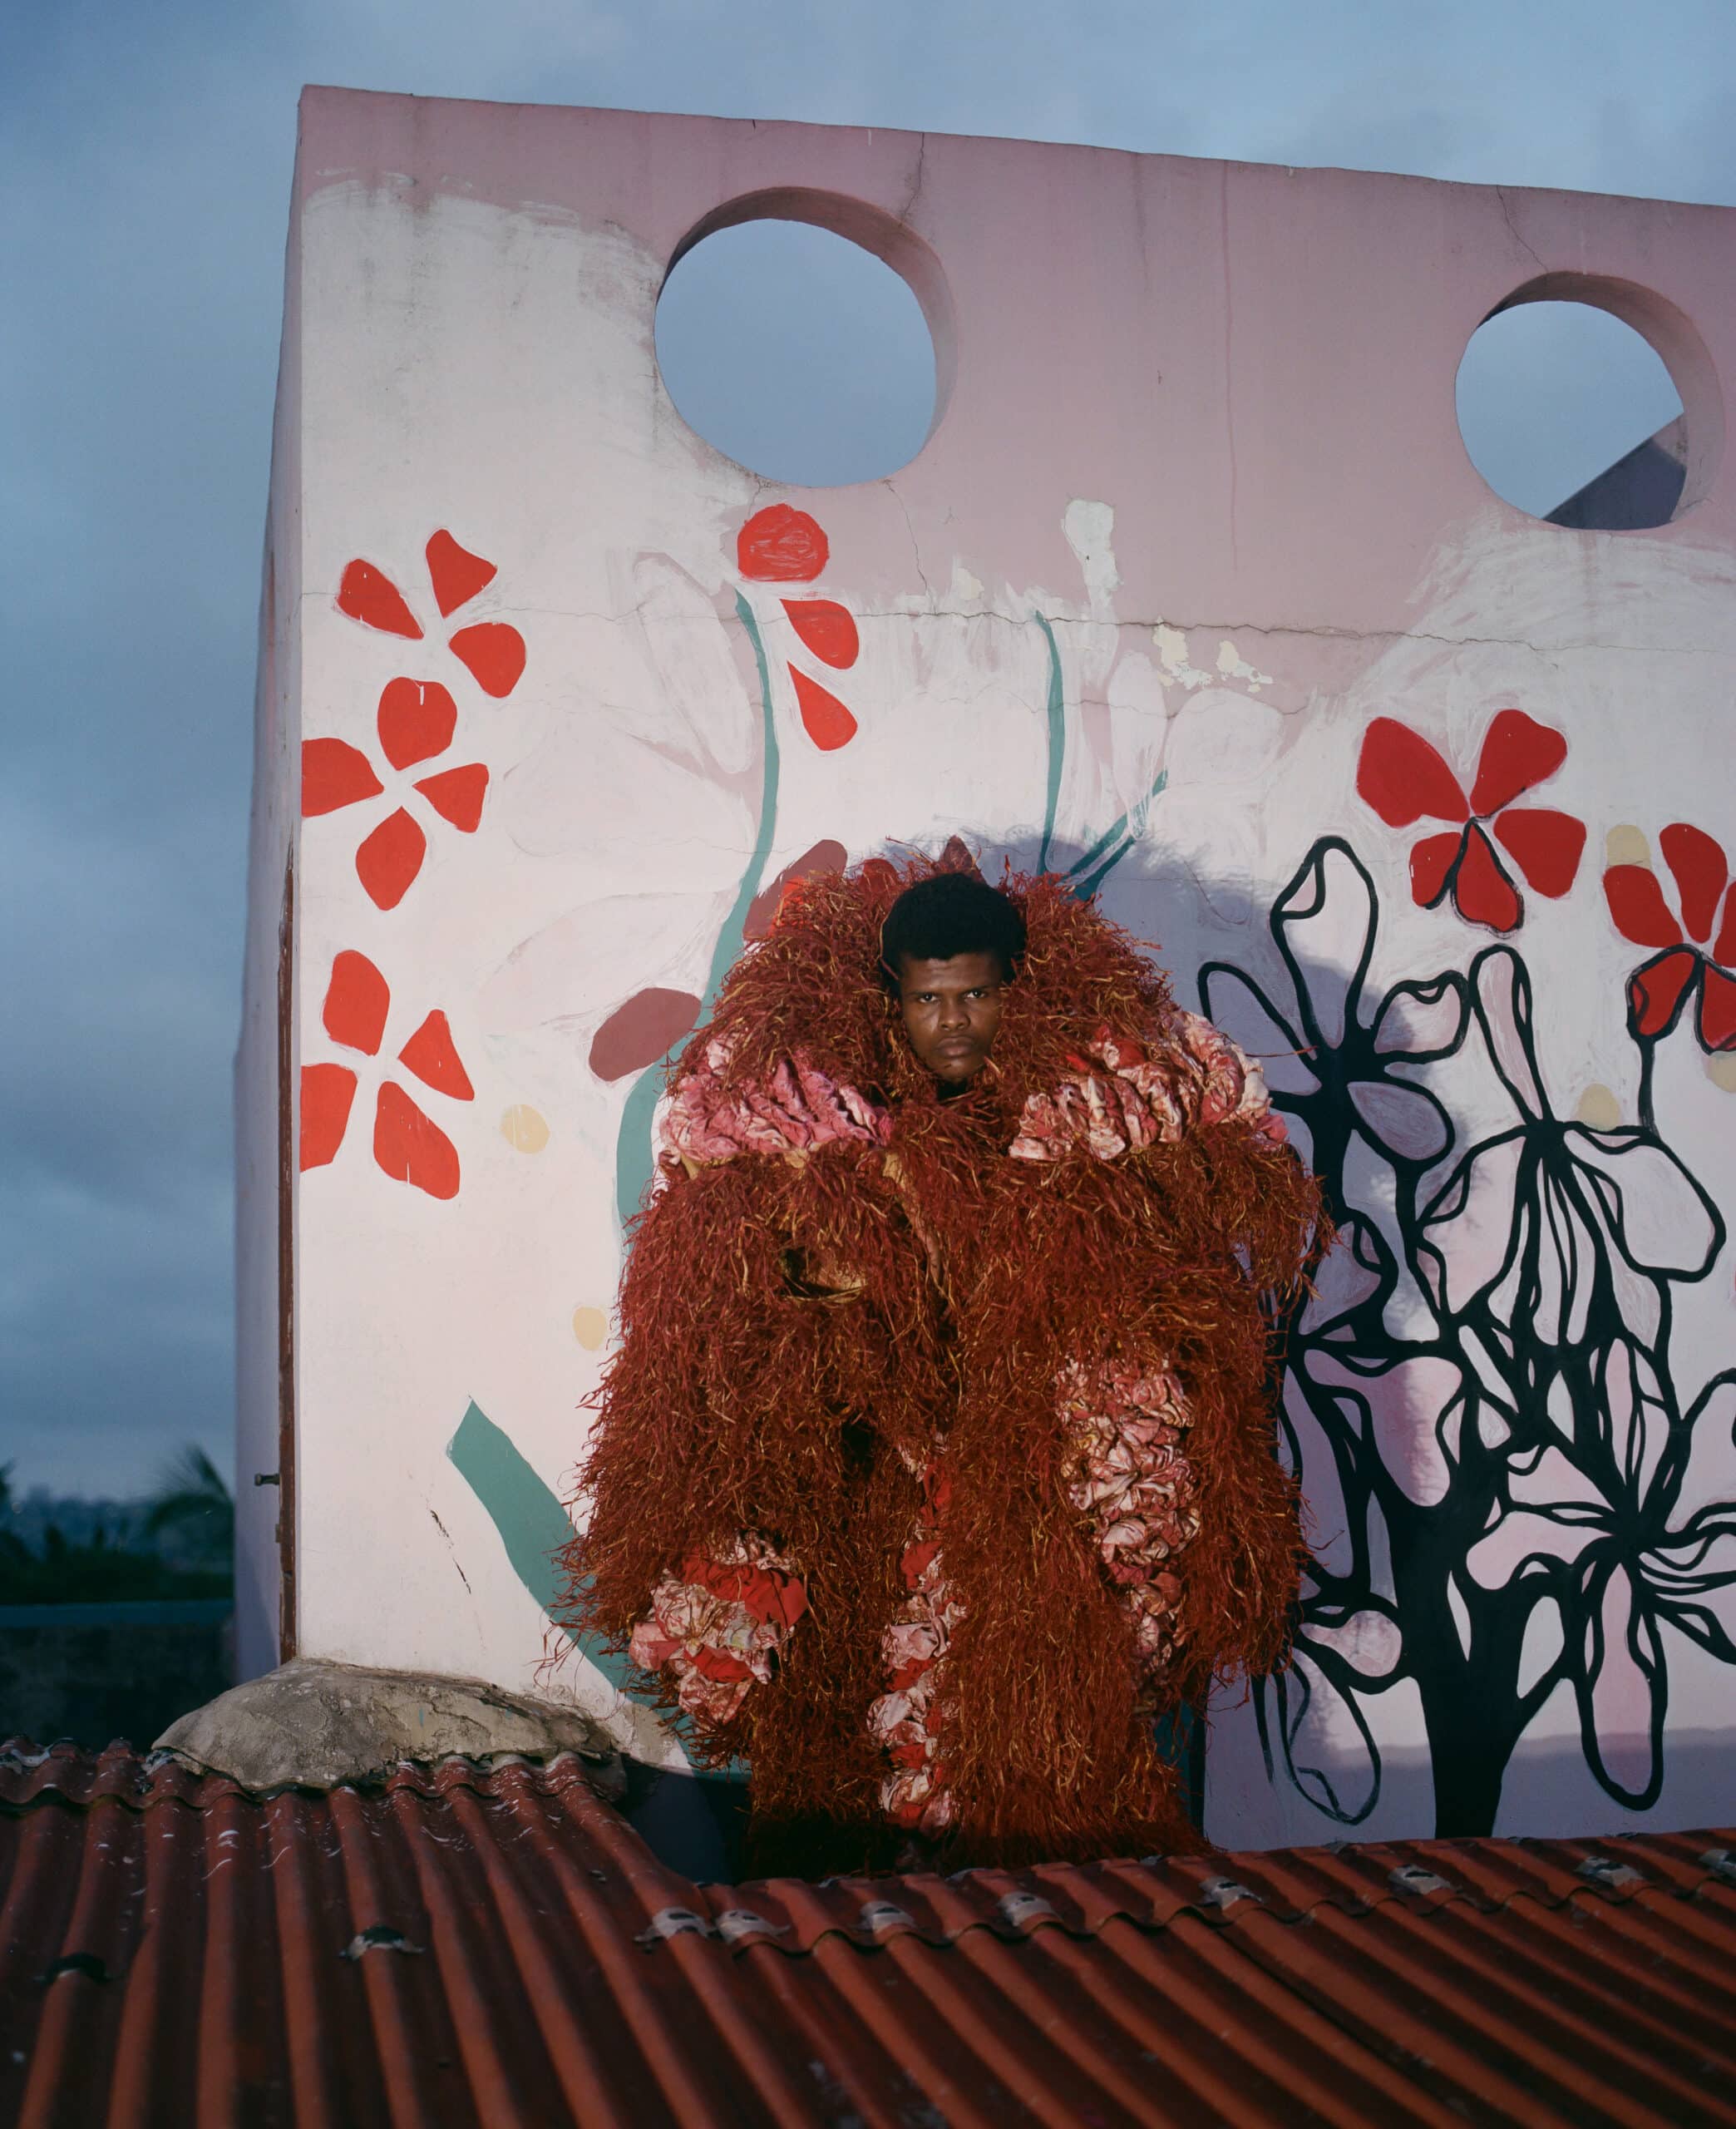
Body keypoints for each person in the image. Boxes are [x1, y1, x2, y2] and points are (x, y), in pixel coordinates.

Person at [561, 845, 1326, 1873]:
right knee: (860, 1758)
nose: (953, 1023)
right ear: (895, 1003)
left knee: (1047, 1753)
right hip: (880, 1501)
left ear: (1014, 991)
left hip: (1040, 1496)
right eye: (931, 1001)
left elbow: (1184, 1261)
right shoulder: (811, 1123)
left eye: (974, 996)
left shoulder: (1094, 1108)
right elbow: (737, 1295)